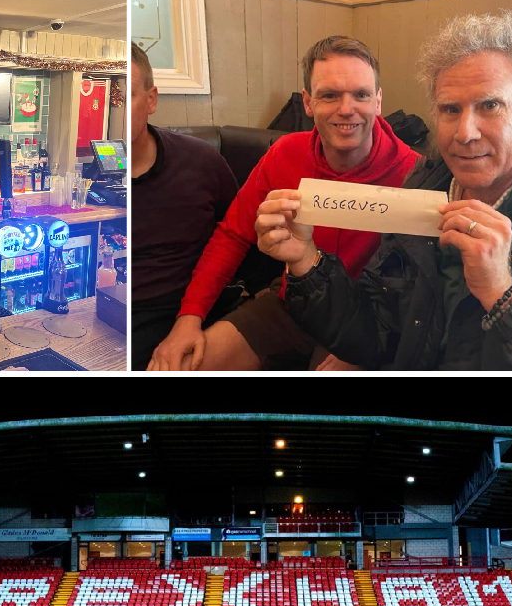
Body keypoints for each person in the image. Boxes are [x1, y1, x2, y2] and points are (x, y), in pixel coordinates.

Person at [257, 11, 512, 370]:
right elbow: (378, 333)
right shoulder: (419, 187)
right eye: (450, 109)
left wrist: (504, 297)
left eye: (490, 105)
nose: (466, 132)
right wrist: (304, 260)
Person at [147, 36, 421, 371]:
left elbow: (419, 289)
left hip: (367, 318)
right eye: (330, 95)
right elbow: (232, 235)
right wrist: (189, 317)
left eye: (361, 94)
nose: (346, 109)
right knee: (190, 364)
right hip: (291, 302)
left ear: (378, 101)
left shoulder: (414, 173)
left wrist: (365, 349)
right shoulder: (285, 153)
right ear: (308, 102)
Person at [130, 43, 238, 370]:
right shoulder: (85, 176)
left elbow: (238, 240)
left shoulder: (202, 162)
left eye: (126, 96)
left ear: (151, 100)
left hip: (193, 310)